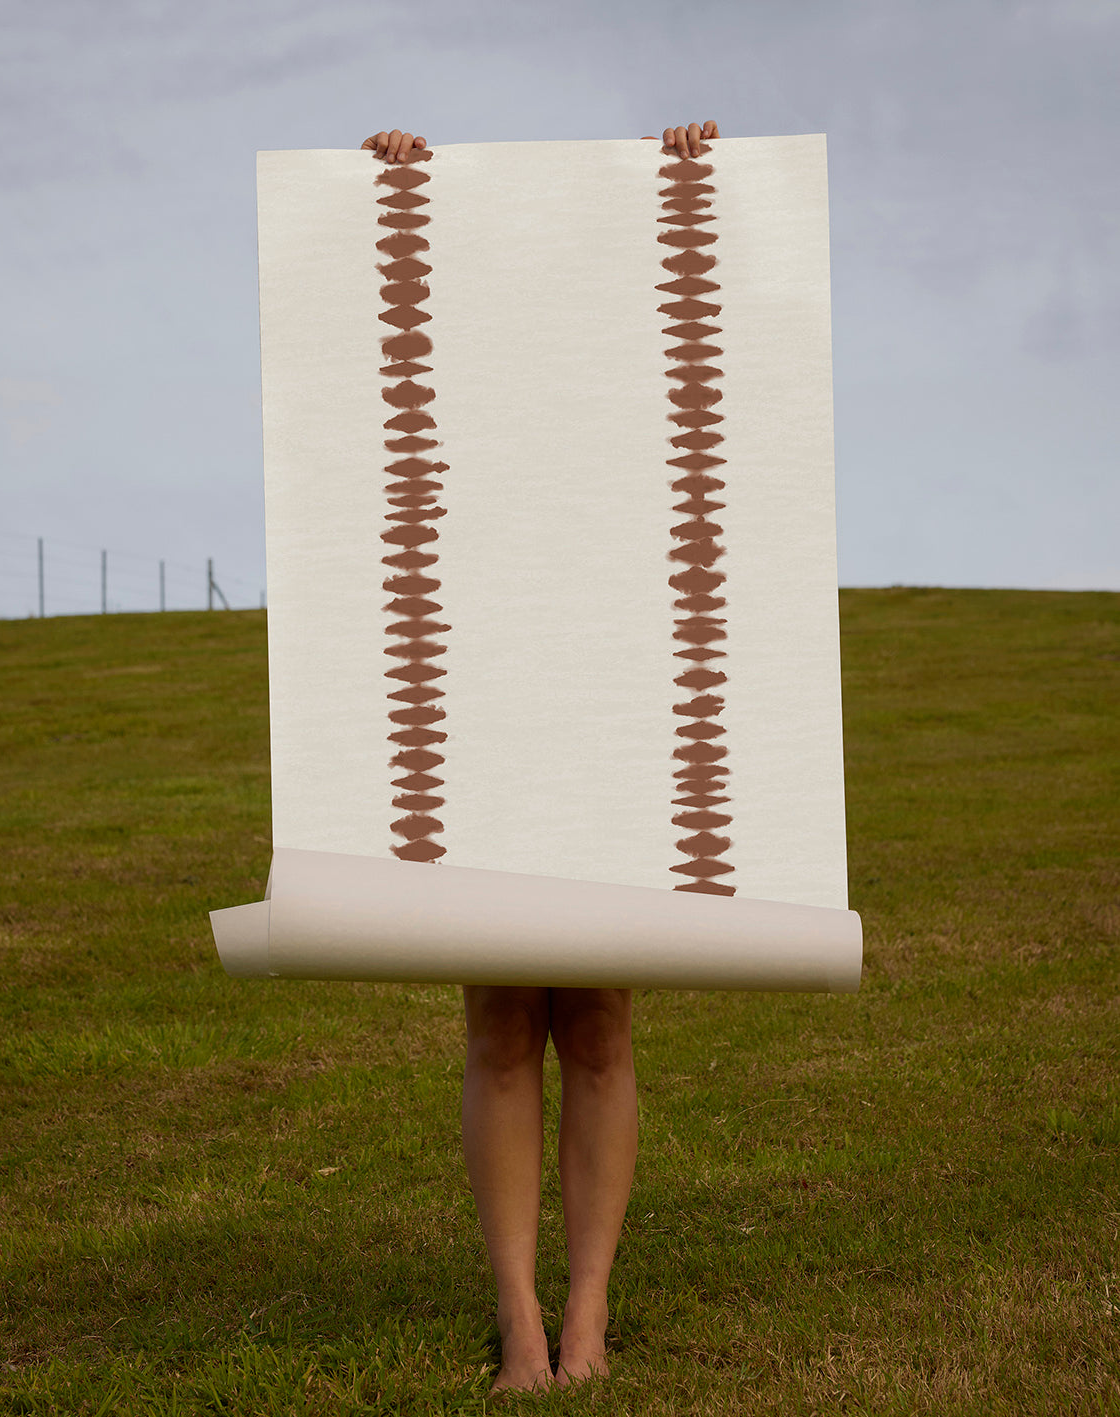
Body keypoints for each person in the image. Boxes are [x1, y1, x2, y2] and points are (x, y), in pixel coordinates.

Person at [360, 119, 720, 1394]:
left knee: (603, 1017)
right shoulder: (462, 382)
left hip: (614, 676)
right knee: (502, 1016)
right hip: (482, 679)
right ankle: (517, 1317)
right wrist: (396, 189)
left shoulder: (631, 383)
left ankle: (588, 1311)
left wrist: (688, 176)